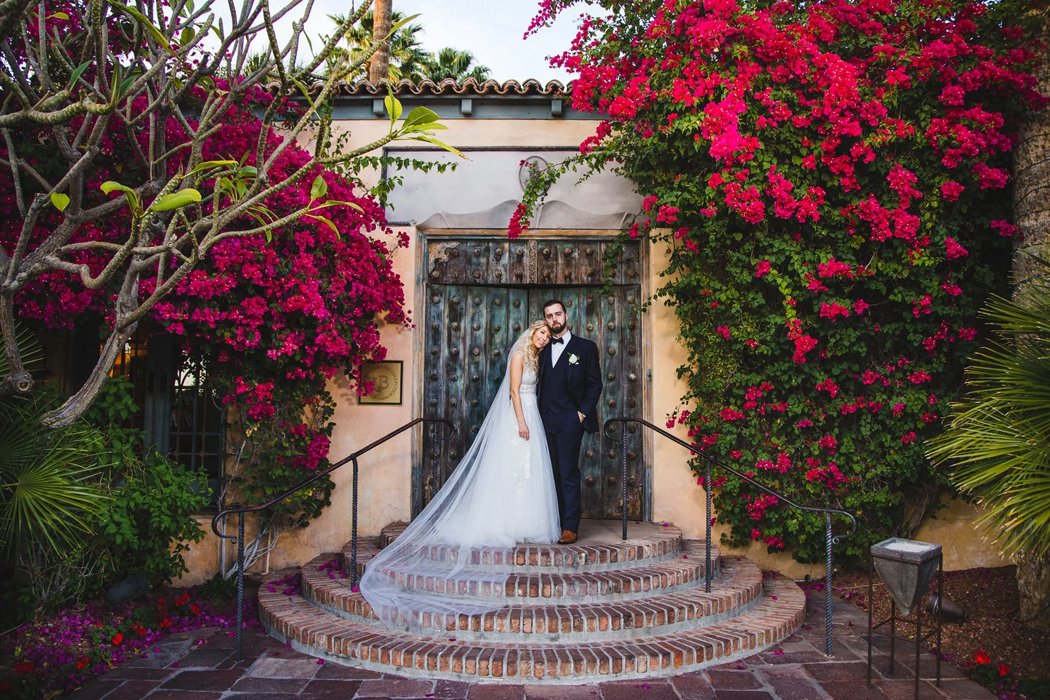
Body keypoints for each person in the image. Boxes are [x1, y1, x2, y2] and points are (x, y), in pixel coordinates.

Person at [359, 321, 560, 629]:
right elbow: (514, 393)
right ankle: (506, 518)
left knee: (528, 470)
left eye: (547, 335)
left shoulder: (535, 355)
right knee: (514, 468)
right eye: (541, 333)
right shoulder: (520, 354)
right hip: (521, 415)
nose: (544, 338)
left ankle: (524, 519)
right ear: (532, 331)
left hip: (531, 413)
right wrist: (521, 422)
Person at [538, 299, 603, 545]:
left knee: (567, 474)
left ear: (566, 315)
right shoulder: (542, 348)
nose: (554, 319)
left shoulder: (585, 348)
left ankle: (569, 527)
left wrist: (582, 413)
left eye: (558, 314)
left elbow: (595, 384)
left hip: (569, 420)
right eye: (549, 316)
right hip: (543, 420)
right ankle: (550, 522)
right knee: (548, 474)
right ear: (545, 320)